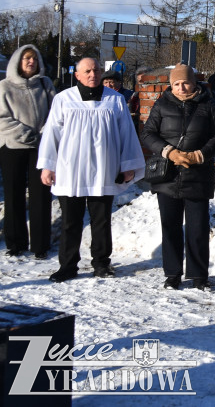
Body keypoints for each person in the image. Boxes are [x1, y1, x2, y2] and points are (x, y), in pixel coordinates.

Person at [37, 57, 145, 282]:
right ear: (77, 75)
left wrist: (128, 166)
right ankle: (67, 265)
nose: (92, 74)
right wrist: (48, 165)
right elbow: (52, 134)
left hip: (104, 169)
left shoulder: (114, 100)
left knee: (101, 220)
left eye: (96, 70)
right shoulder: (63, 99)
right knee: (70, 221)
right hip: (70, 169)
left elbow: (126, 133)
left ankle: (101, 263)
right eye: (87, 71)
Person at [140, 64, 215, 291]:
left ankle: (199, 276)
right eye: (176, 83)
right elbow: (148, 133)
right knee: (170, 226)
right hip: (168, 175)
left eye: (185, 82)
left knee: (197, 227)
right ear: (171, 84)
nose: (181, 87)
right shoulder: (162, 104)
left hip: (197, 174)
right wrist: (170, 152)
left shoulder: (208, 104)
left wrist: (201, 154)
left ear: (194, 82)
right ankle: (172, 273)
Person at [0, 45, 55, 258]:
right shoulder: (4, 87)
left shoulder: (45, 84)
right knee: (14, 195)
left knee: (41, 195)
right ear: (17, 62)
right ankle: (15, 243)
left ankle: (40, 245)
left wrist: (44, 134)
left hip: (40, 147)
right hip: (12, 146)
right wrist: (27, 134)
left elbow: (54, 115)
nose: (31, 62)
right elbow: (2, 119)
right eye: (26, 59)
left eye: (34, 59)